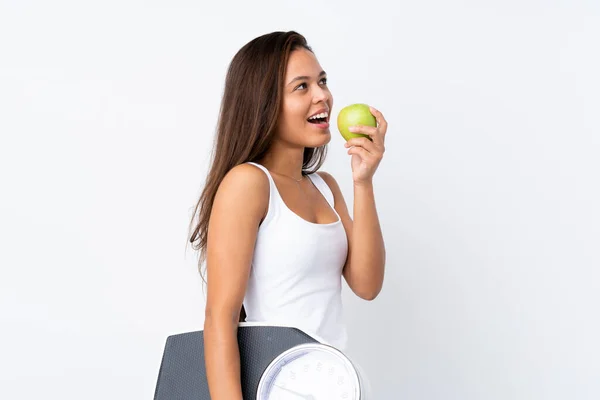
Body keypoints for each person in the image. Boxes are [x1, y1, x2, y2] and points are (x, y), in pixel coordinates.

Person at [188, 30, 387, 400]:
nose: (322, 96)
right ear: (265, 103)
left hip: (334, 381)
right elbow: (220, 318)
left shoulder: (326, 187)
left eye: (322, 81)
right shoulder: (248, 184)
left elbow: (368, 284)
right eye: (302, 86)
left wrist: (364, 181)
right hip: (278, 384)